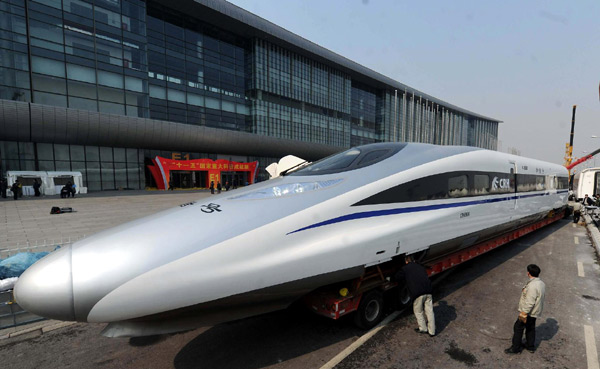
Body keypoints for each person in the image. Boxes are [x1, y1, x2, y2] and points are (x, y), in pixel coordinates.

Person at [505, 264, 546, 354]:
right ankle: (530, 346)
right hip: (535, 312)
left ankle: (515, 348)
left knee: (518, 327)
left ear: (528, 273)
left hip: (528, 312)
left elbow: (530, 302)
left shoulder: (532, 286)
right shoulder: (541, 283)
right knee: (530, 328)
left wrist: (524, 313)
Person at [395, 255, 435, 337]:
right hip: (428, 291)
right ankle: (432, 331)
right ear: (413, 260)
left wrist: (389, 278)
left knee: (418, 311)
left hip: (418, 293)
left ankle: (423, 328)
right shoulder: (420, 266)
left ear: (406, 261)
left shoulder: (405, 268)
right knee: (430, 311)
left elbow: (397, 277)